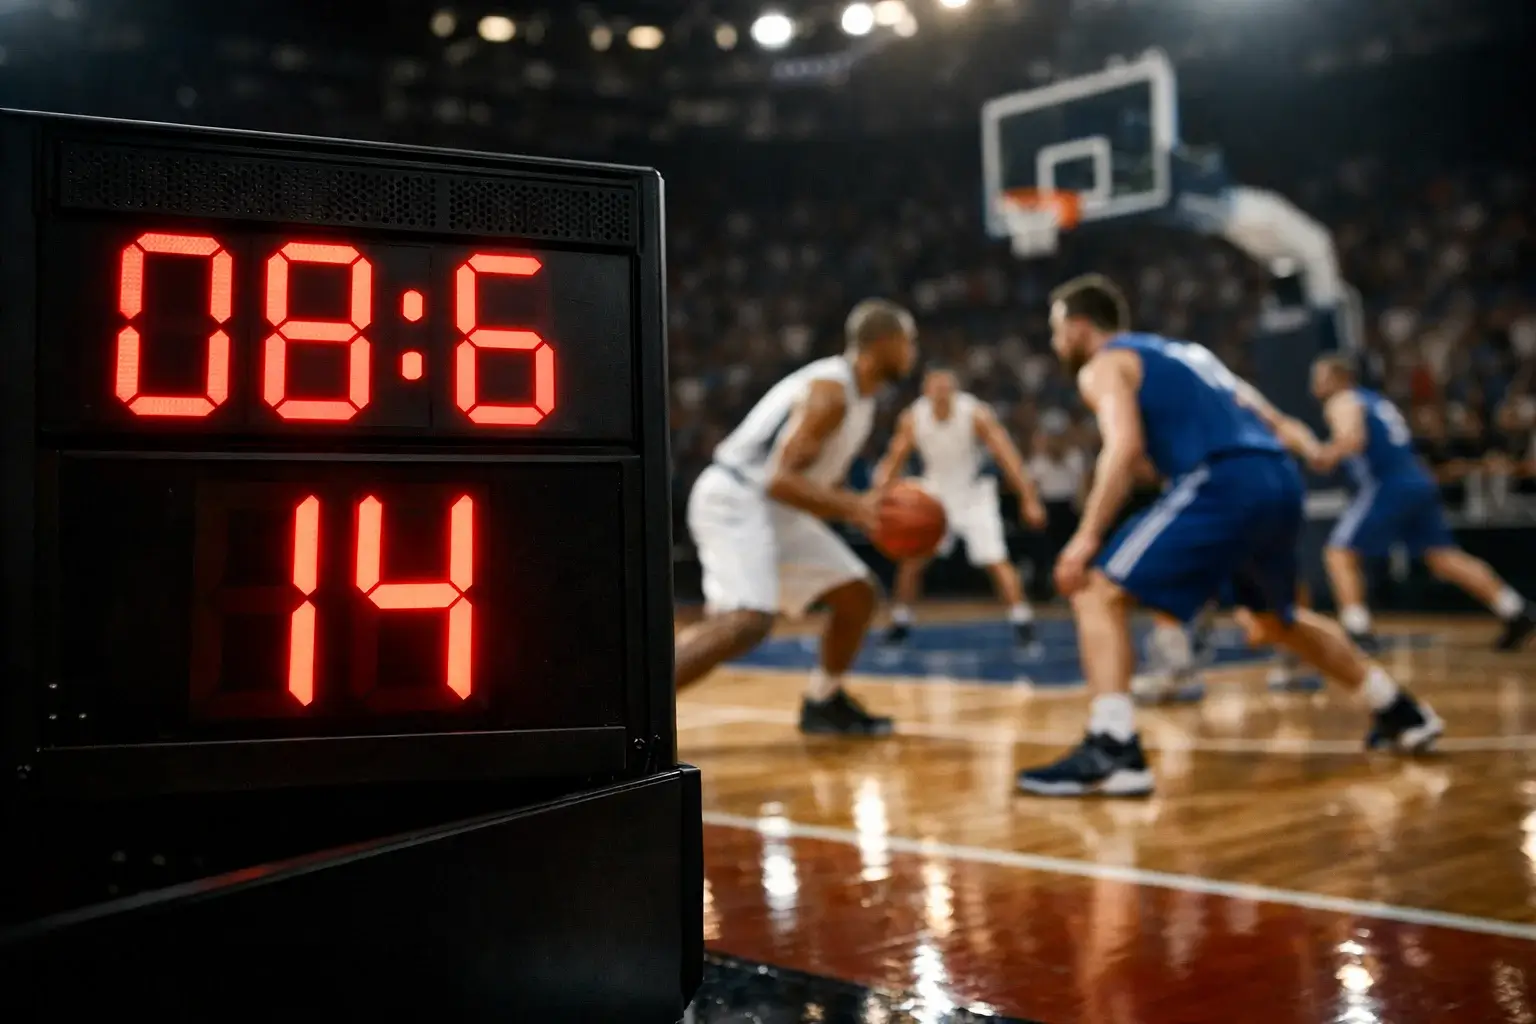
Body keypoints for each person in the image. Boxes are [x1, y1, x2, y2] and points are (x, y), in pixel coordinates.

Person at [1016, 275, 1442, 798]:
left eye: (1059, 332)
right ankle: (1400, 710)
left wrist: (1086, 536)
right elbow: (1271, 417)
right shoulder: (1190, 355)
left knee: (1096, 589)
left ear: (1081, 328)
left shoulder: (1104, 364)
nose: (1057, 344)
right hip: (1276, 477)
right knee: (1276, 621)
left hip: (1222, 479)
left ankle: (1113, 747)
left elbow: (1122, 446)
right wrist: (1312, 452)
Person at [675, 299, 918, 735]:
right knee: (746, 621)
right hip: (738, 497)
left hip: (773, 506)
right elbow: (779, 479)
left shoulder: (860, 398)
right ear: (882, 344)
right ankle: (631, 713)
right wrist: (854, 506)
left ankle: (823, 702)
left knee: (857, 594)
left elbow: (807, 487)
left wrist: (862, 509)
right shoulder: (831, 392)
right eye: (908, 342)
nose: (912, 352)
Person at [1308, 355, 1535, 652]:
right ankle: (1515, 610)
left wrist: (1326, 455)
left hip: (1388, 483)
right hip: (1418, 480)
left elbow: (1353, 439)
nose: (1313, 384)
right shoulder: (1376, 400)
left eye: (1318, 376)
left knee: (1340, 552)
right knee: (1443, 557)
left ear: (1337, 378)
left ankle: (1357, 629)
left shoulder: (1342, 400)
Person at [872, 366, 1047, 645]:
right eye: (935, 389)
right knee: (913, 559)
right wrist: (876, 498)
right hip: (934, 493)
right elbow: (893, 460)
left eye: (946, 389)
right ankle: (900, 619)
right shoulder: (913, 418)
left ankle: (1021, 618)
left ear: (955, 391)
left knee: (996, 559)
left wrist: (1029, 497)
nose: (941, 395)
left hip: (972, 493)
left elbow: (1007, 455)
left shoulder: (975, 413)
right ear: (926, 392)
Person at [1027, 420, 1090, 601]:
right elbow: (1031, 487)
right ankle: (1045, 591)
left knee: (1071, 551)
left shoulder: (1075, 457)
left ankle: (1075, 590)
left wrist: (1083, 510)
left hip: (1069, 508)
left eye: (1059, 438)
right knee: (1045, 553)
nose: (1056, 442)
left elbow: (1082, 487)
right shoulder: (1038, 461)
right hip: (1048, 509)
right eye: (1052, 438)